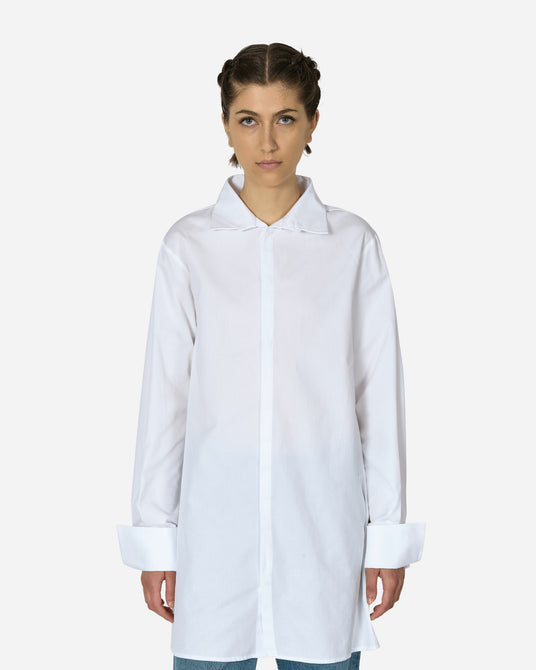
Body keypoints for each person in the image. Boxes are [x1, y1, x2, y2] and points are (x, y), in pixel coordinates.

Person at [116, 43, 426, 670]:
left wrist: (386, 536)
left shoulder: (351, 244)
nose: (266, 141)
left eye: (285, 118)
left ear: (312, 122)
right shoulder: (188, 246)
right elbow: (166, 399)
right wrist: (156, 540)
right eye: (248, 119)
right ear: (226, 125)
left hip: (322, 527)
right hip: (213, 534)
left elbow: (378, 397)